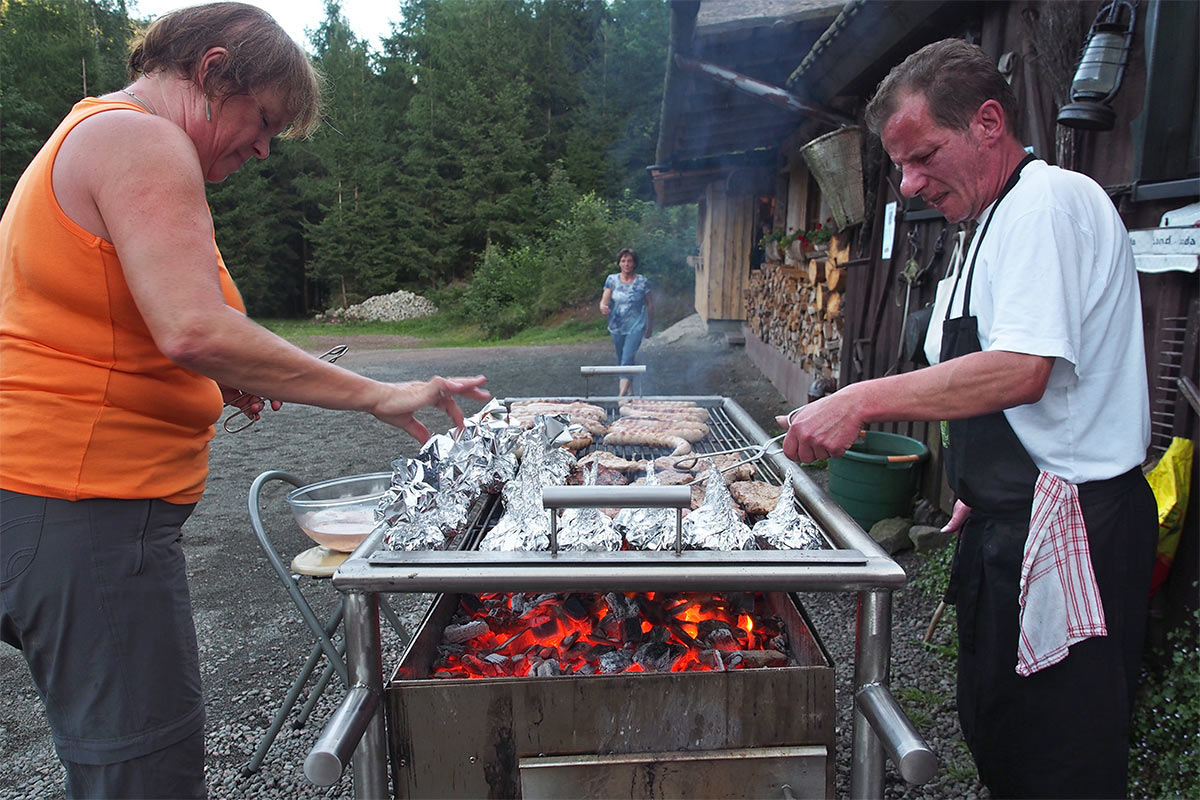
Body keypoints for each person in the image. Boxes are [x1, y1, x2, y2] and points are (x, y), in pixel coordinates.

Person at [0, 4, 488, 798]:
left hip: (55, 505)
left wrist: (233, 370)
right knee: (145, 778)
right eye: (262, 120)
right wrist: (374, 394)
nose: (263, 147)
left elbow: (135, 316)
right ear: (212, 70)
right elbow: (193, 328)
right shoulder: (142, 138)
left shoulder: (103, 133)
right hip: (83, 507)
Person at [778, 39, 1156, 799]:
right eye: (901, 169)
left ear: (989, 122)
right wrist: (977, 478)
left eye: (924, 157)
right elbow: (1000, 381)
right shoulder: (985, 224)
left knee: (1061, 758)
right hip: (1007, 518)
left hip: (1073, 529)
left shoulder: (1046, 204)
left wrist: (859, 398)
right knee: (1002, 733)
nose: (912, 185)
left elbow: (1022, 369)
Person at [599, 248, 653, 396]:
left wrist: (650, 326)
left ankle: (620, 396)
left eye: (629, 260)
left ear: (634, 263)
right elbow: (605, 300)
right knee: (622, 360)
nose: (626, 264)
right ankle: (630, 394)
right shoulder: (612, 280)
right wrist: (603, 307)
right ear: (619, 263)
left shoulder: (642, 281)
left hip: (636, 325)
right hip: (616, 326)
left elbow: (650, 304)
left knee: (627, 358)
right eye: (623, 261)